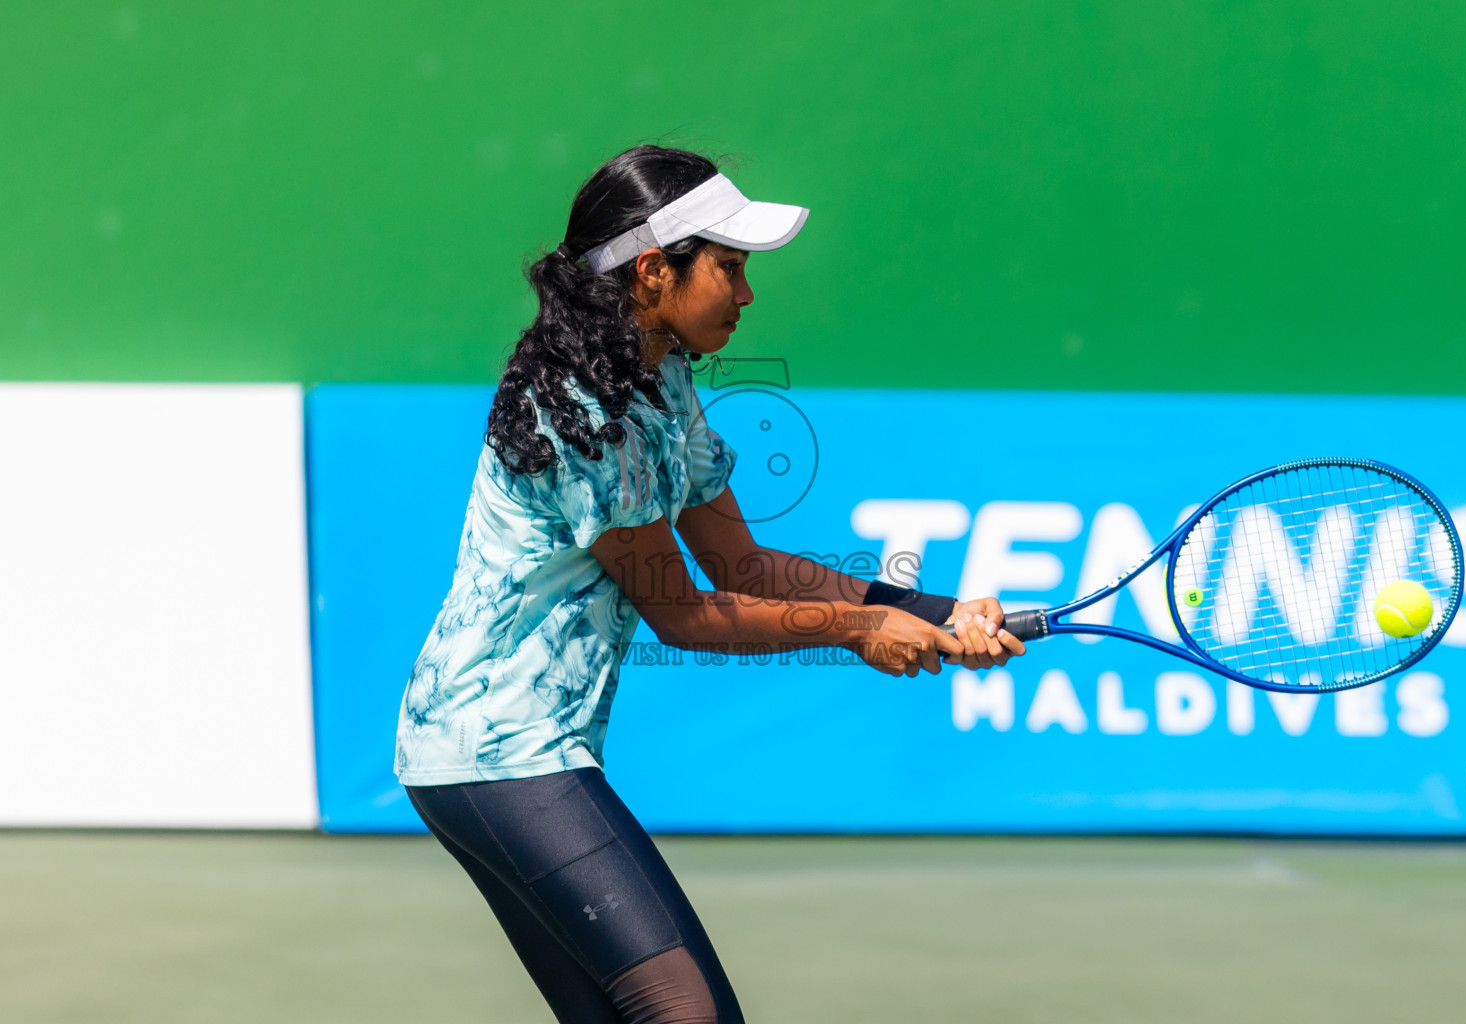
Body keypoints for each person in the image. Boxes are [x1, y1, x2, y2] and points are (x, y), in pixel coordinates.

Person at [395, 145, 1025, 1024]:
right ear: (653, 271)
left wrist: (932, 610)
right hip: (497, 750)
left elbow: (743, 566)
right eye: (728, 268)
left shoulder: (663, 378)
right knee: (685, 1011)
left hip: (507, 755)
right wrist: (853, 631)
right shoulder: (580, 406)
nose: (747, 292)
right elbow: (685, 613)